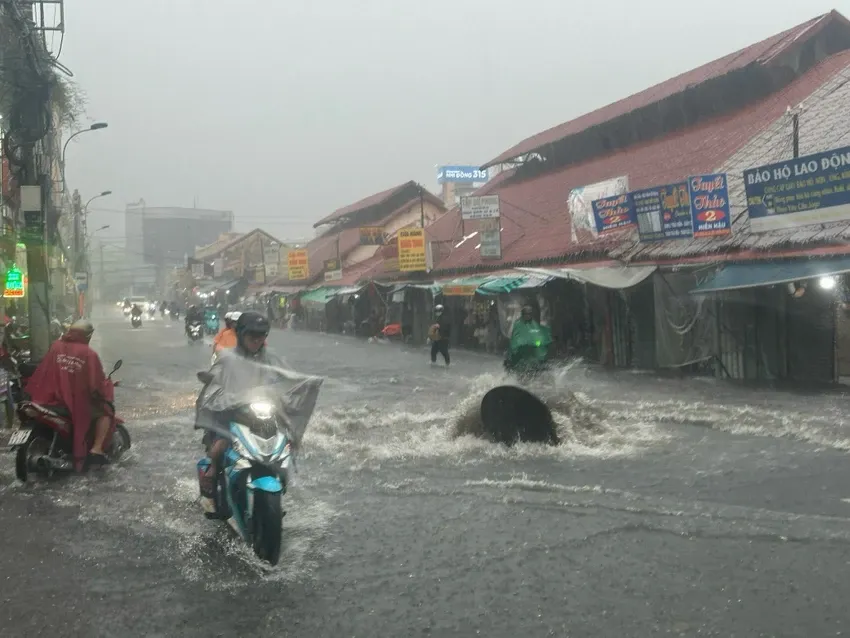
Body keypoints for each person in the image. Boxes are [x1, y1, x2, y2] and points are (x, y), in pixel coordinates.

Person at [195, 311, 277, 497]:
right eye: (252, 336)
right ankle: (213, 472)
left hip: (258, 409)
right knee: (222, 443)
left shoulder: (269, 358)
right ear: (241, 334)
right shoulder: (227, 356)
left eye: (261, 336)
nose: (257, 340)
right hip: (230, 410)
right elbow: (213, 379)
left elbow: (280, 379)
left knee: (281, 441)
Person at [24, 319, 113, 470]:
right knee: (106, 411)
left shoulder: (56, 346)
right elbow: (95, 385)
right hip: (74, 402)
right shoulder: (89, 354)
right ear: (88, 335)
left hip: (48, 398)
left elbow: (45, 371)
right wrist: (107, 387)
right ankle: (96, 449)